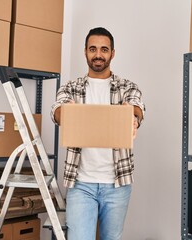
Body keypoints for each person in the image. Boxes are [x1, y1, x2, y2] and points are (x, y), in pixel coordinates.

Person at [50, 27, 145, 240]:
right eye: (93, 49)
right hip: (81, 184)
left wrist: (133, 118)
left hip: (117, 184)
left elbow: (137, 107)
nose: (98, 54)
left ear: (112, 53)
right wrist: (65, 114)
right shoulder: (71, 88)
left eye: (104, 49)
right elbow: (56, 112)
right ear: (85, 52)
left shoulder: (127, 87)